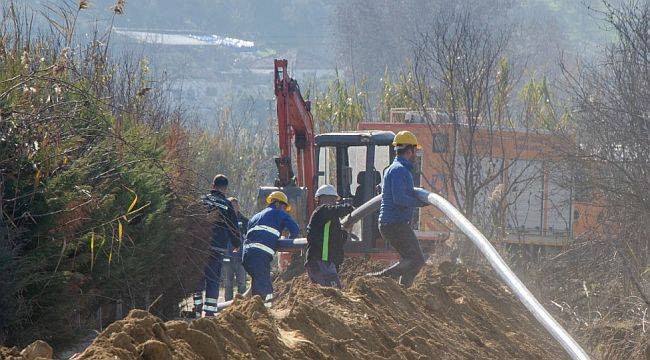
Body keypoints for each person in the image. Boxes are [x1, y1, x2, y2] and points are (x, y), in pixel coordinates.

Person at [368, 131, 428, 287]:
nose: (416, 155)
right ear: (410, 151)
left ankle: (403, 291)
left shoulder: (397, 169)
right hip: (394, 224)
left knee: (410, 260)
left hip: (392, 223)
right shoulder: (399, 170)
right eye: (415, 151)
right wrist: (420, 202)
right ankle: (379, 279)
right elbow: (399, 199)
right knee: (417, 259)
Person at [193, 174, 241, 317]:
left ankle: (197, 309)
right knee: (213, 279)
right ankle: (209, 313)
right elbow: (233, 227)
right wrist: (236, 243)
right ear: (225, 189)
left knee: (197, 277)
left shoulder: (203, 200)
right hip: (217, 248)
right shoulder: (227, 205)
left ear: (213, 186)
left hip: (199, 246)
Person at [242, 191, 300, 307]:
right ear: (278, 204)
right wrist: (290, 243)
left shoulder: (255, 216)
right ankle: (264, 315)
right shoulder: (279, 213)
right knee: (266, 289)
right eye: (284, 207)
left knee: (257, 285)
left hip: (246, 256)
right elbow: (295, 229)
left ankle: (252, 310)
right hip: (260, 256)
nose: (285, 210)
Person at [305, 185, 354, 288]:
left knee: (329, 295)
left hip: (326, 263)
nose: (334, 202)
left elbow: (338, 241)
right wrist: (350, 207)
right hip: (320, 261)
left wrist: (345, 232)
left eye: (334, 200)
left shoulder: (331, 219)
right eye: (332, 199)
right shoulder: (321, 211)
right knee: (333, 294)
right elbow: (337, 210)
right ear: (322, 199)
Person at [222, 197, 249, 302]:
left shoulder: (245, 221)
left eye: (235, 205)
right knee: (228, 284)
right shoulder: (223, 220)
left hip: (241, 258)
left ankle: (242, 305)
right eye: (231, 206)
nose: (233, 208)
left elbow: (249, 238)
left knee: (242, 283)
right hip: (227, 258)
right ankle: (227, 307)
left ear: (238, 206)